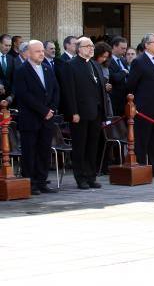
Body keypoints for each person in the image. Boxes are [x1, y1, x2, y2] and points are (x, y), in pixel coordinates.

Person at [13, 40, 59, 195]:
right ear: (28, 53)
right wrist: (43, 110)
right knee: (30, 152)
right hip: (31, 118)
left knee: (44, 151)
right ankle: (30, 183)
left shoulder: (47, 68)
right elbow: (24, 95)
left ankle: (42, 181)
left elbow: (55, 90)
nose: (41, 53)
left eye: (42, 51)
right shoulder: (21, 70)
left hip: (47, 119)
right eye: (37, 51)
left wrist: (51, 109)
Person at [62, 37, 108, 189]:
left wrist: (104, 113)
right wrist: (73, 112)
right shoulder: (70, 65)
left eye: (92, 46)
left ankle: (91, 176)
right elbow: (69, 91)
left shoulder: (94, 64)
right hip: (80, 114)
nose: (91, 48)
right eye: (87, 46)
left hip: (95, 112)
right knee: (80, 146)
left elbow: (100, 89)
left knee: (92, 146)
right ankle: (80, 177)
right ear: (78, 48)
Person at [127, 33, 154, 178]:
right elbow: (131, 84)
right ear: (146, 45)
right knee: (142, 140)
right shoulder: (139, 61)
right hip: (144, 109)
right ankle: (141, 169)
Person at [108, 36, 129, 117]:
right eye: (122, 48)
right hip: (114, 99)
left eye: (125, 48)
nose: (125, 51)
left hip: (125, 98)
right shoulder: (107, 60)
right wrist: (124, 72)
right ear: (114, 47)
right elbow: (113, 78)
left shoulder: (123, 60)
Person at [0, 34, 15, 102]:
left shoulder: (11, 59)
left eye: (10, 46)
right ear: (0, 44)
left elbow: (14, 79)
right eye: (6, 45)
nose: (8, 48)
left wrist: (12, 95)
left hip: (7, 98)